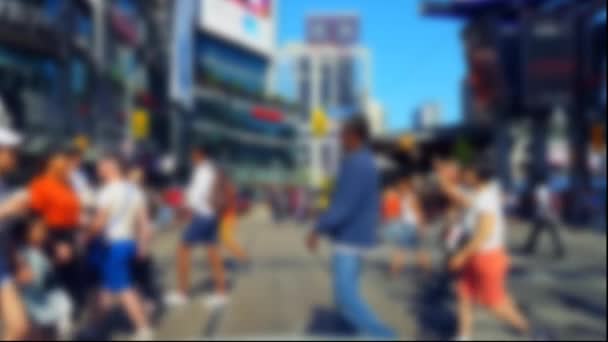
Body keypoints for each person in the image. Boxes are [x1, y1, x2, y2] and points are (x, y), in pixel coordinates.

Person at [306, 116, 396, 339]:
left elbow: (343, 206)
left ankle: (384, 336)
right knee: (348, 295)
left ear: (355, 136)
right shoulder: (365, 161)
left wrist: (317, 228)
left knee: (345, 297)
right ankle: (370, 335)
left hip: (350, 239)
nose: (339, 138)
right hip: (358, 237)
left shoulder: (356, 162)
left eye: (343, 133)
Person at [436, 159, 530, 341]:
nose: (465, 175)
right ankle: (463, 336)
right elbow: (454, 194)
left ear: (479, 176)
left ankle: (528, 330)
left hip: (487, 258)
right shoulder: (480, 193)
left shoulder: (487, 198)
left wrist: (461, 256)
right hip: (475, 256)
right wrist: (443, 176)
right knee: (463, 295)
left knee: (493, 304)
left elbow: (483, 234)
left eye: (469, 172)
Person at [88, 155, 153, 340]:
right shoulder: (135, 190)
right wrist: (142, 246)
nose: (98, 168)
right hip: (129, 243)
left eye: (101, 165)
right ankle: (95, 329)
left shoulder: (107, 192)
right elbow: (144, 223)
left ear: (111, 168)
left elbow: (99, 223)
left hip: (112, 245)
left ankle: (143, 329)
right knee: (107, 288)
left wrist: (86, 231)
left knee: (124, 290)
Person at [165, 145, 227, 309]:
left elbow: (195, 196)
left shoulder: (202, 171)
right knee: (213, 252)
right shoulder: (213, 170)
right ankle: (221, 294)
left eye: (193, 154)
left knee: (182, 249)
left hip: (202, 215)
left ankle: (182, 293)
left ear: (200, 155)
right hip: (212, 214)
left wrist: (182, 207)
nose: (191, 156)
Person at [27, 147, 84, 309]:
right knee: (55, 284)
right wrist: (54, 244)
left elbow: (73, 213)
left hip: (70, 235)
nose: (67, 165)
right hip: (51, 236)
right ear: (50, 163)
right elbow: (35, 218)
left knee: (74, 284)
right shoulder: (40, 184)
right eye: (63, 161)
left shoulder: (67, 185)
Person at [14, 214, 73, 340]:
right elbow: (29, 279)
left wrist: (55, 262)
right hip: (32, 303)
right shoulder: (23, 254)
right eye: (40, 230)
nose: (44, 234)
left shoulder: (39, 252)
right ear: (26, 232)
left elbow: (45, 274)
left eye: (45, 230)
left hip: (43, 302)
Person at [0, 126, 29, 340]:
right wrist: (6, 209)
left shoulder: (5, 184)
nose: (16, 157)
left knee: (19, 327)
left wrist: (16, 260)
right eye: (11, 151)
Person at [387, 173, 430, 277]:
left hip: (412, 226)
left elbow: (419, 213)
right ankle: (395, 271)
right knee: (408, 250)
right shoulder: (402, 197)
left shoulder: (411, 197)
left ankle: (395, 271)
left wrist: (421, 227)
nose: (399, 187)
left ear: (407, 186)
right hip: (405, 226)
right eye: (399, 186)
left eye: (401, 186)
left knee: (413, 250)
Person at [522, 177, 566, 258]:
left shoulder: (539, 190)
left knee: (536, 233)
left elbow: (537, 201)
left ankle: (529, 248)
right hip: (550, 214)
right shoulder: (550, 189)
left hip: (543, 214)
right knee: (551, 234)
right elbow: (556, 202)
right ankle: (560, 250)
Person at [217, 169, 249, 264]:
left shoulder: (227, 187)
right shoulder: (227, 187)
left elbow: (226, 203)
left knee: (226, 239)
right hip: (227, 216)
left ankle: (242, 256)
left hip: (227, 216)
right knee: (221, 239)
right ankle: (217, 259)